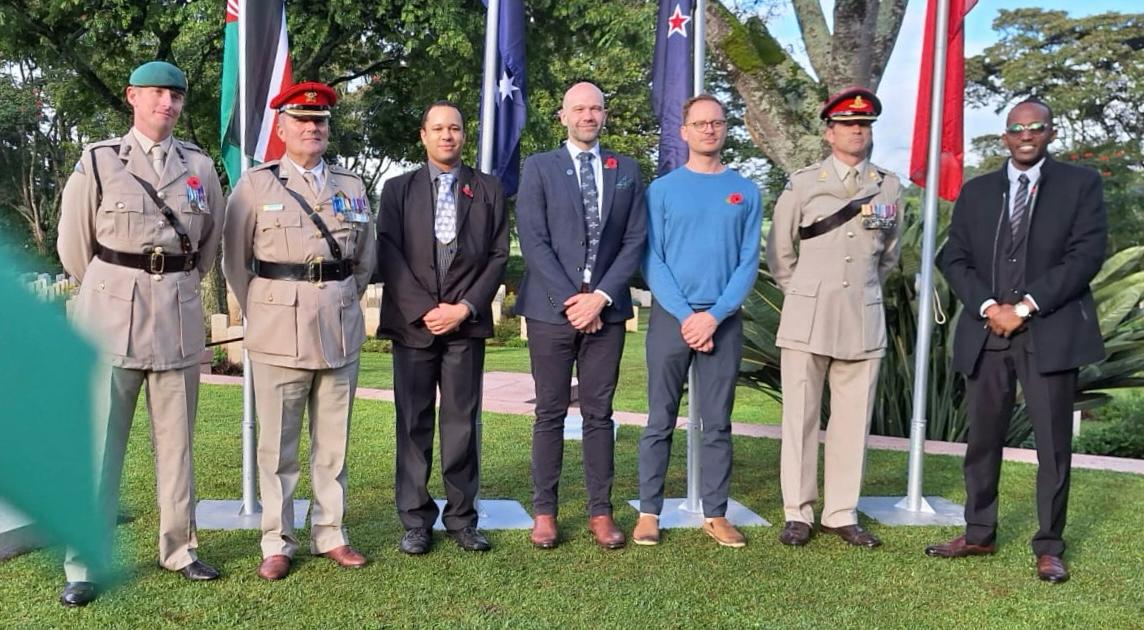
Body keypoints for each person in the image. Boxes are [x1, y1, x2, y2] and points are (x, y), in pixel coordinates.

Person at [56, 60, 224, 606]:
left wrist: (168, 286)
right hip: (110, 320)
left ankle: (180, 549)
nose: (166, 104)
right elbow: (74, 247)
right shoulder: (100, 161)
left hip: (175, 315)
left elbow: (210, 245)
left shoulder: (199, 166)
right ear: (132, 97)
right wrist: (113, 287)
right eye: (155, 93)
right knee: (100, 448)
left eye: (175, 96)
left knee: (177, 447)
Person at [927, 99, 1107, 583]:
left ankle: (1049, 545)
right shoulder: (978, 191)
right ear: (1004, 137)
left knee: (1053, 445)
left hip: (1048, 332)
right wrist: (989, 307)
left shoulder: (1080, 185)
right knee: (982, 441)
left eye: (1036, 127)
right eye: (1016, 128)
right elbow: (954, 258)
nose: (1026, 135)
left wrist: (1025, 306)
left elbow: (1087, 254)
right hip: (987, 333)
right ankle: (978, 532)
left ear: (1050, 133)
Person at [222, 82, 376, 581]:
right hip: (277, 329)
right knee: (278, 447)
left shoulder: (351, 186)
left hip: (337, 326)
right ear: (283, 127)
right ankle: (278, 540)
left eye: (321, 121)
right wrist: (264, 306)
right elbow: (233, 260)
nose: (312, 128)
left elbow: (364, 258)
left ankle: (330, 533)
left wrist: (339, 298)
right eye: (302, 120)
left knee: (333, 444)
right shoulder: (255, 185)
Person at [766, 86, 901, 549]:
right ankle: (797, 512)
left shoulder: (888, 185)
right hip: (808, 315)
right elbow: (780, 252)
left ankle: (841, 511)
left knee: (852, 419)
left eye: (864, 125)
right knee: (800, 418)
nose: (857, 132)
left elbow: (888, 256)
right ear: (830, 132)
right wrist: (803, 293)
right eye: (848, 124)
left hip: (861, 319)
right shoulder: (803, 183)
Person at [515, 81, 647, 549]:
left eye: (595, 108)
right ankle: (545, 512)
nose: (588, 115)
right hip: (552, 312)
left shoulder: (626, 169)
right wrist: (575, 300)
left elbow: (635, 240)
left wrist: (601, 297)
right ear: (562, 115)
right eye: (579, 108)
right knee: (549, 413)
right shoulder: (539, 168)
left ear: (604, 115)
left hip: (606, 314)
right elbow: (533, 239)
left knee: (599, 414)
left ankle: (600, 512)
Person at [376, 101, 508, 555]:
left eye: (454, 128)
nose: (447, 135)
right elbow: (387, 251)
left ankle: (462, 519)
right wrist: (424, 308)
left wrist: (465, 308)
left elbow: (497, 256)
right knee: (412, 423)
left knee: (461, 424)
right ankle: (416, 521)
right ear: (423, 135)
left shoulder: (488, 189)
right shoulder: (398, 189)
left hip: (464, 328)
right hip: (413, 326)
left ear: (463, 135)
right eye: (438, 128)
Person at [633, 95, 761, 548]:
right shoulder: (662, 190)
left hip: (723, 320)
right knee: (659, 419)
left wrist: (715, 316)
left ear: (726, 129)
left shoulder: (746, 191)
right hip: (673, 317)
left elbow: (748, 262)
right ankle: (649, 511)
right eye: (699, 123)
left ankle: (716, 513)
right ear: (684, 131)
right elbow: (652, 259)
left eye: (716, 122)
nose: (708, 129)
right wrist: (690, 317)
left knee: (717, 422)